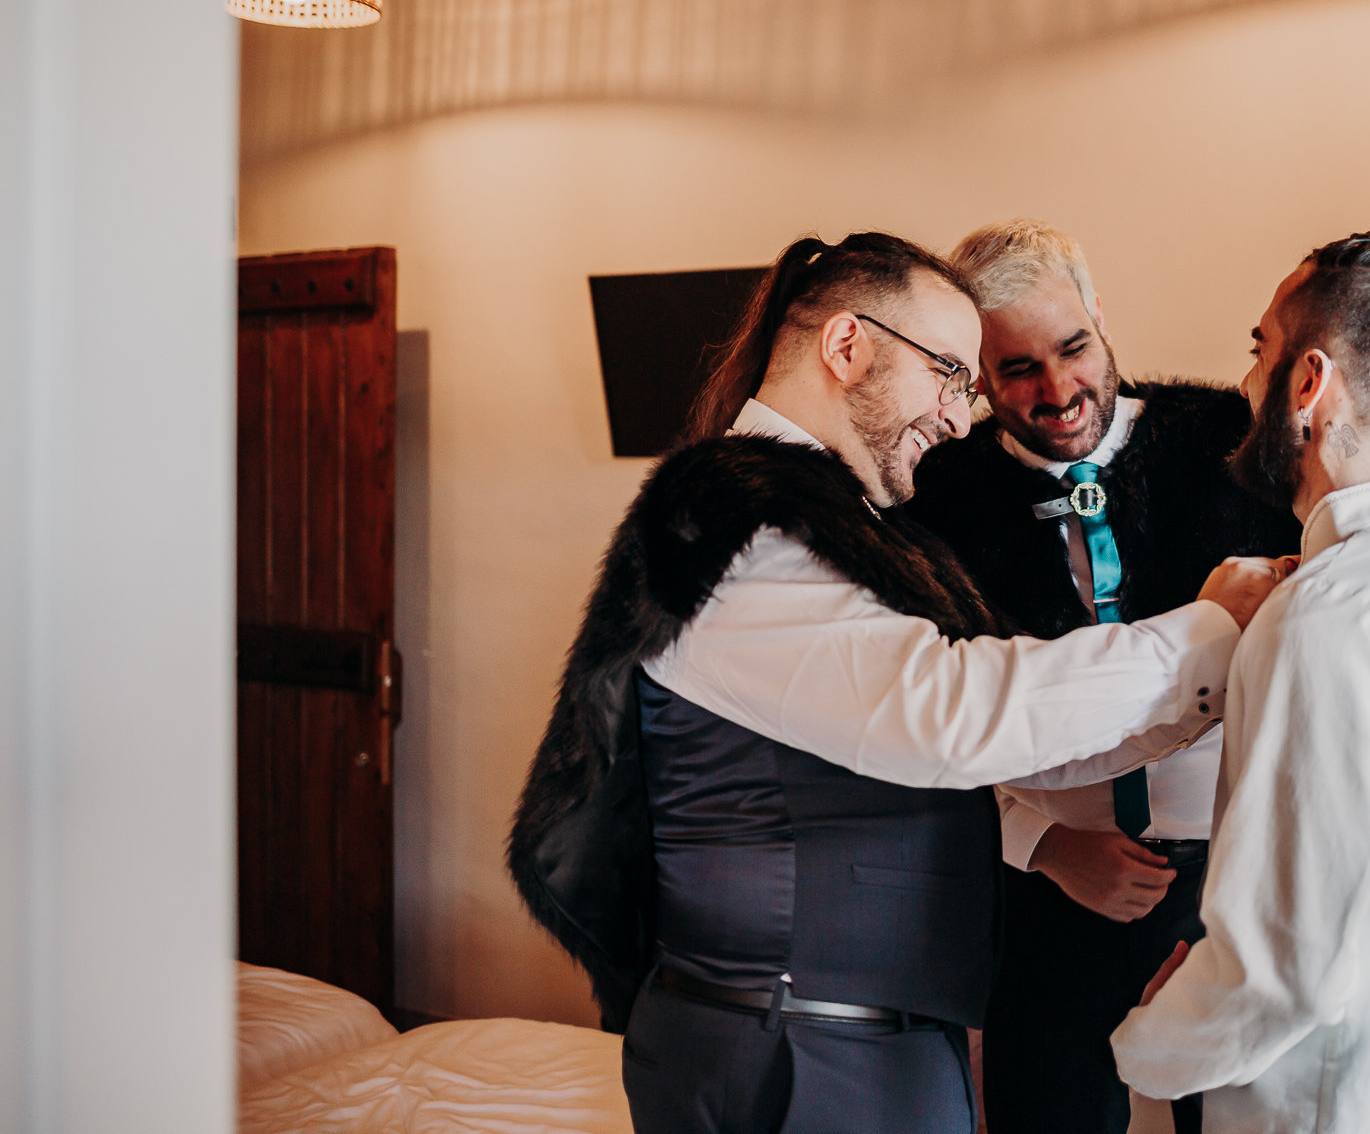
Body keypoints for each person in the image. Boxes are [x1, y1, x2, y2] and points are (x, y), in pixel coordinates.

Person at [507, 231, 1286, 1134]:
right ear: (848, 347)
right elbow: (955, 716)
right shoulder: (738, 530)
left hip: (859, 1045)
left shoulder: (834, 530)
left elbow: (1007, 736)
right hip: (796, 1054)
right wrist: (1207, 625)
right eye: (952, 374)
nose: (962, 418)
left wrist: (1207, 680)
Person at [909, 220, 1370, 1134]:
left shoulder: (1248, 443)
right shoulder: (932, 501)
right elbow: (933, 723)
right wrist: (1042, 844)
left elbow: (1360, 546)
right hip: (1048, 900)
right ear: (978, 376)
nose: (1059, 388)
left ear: (1101, 316)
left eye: (1073, 348)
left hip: (1237, 874)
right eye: (1017, 369)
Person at [1110, 227, 1370, 1134]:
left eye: (1258, 350)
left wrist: (1143, 1043)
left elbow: (1285, 967)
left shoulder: (1326, 614)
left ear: (1309, 386)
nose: (1242, 385)